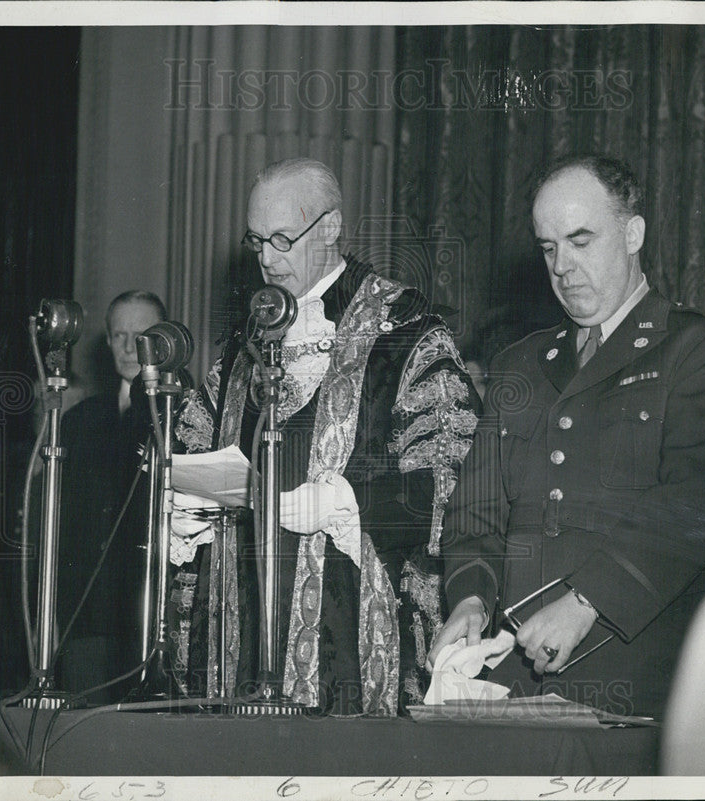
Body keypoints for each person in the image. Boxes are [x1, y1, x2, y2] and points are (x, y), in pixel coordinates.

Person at [431, 155, 705, 718]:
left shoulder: (699, 352)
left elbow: (696, 504)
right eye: (549, 248)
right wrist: (470, 602)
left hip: (637, 681)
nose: (564, 267)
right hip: (512, 683)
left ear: (633, 233)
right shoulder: (520, 364)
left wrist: (586, 602)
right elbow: (474, 515)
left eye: (581, 240)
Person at [169, 157, 480, 715]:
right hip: (239, 636)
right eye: (256, 240)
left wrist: (347, 503)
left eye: (283, 239)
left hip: (350, 642)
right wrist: (188, 499)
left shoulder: (406, 332)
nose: (266, 258)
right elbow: (199, 444)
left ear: (331, 227)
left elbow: (449, 481)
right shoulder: (244, 341)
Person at [55, 290, 165, 701]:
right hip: (88, 619)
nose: (128, 347)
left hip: (153, 618)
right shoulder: (78, 421)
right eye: (118, 334)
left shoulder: (188, 414)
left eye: (140, 334)